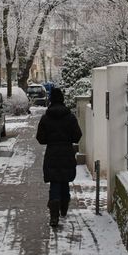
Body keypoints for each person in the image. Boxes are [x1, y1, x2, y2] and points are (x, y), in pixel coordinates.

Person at [36, 87, 82, 227]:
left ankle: (54, 213)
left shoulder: (46, 117)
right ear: (62, 99)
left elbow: (41, 138)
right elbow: (77, 136)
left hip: (52, 153)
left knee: (55, 182)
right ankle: (64, 206)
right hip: (67, 152)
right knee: (65, 180)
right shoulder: (70, 117)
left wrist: (51, 139)